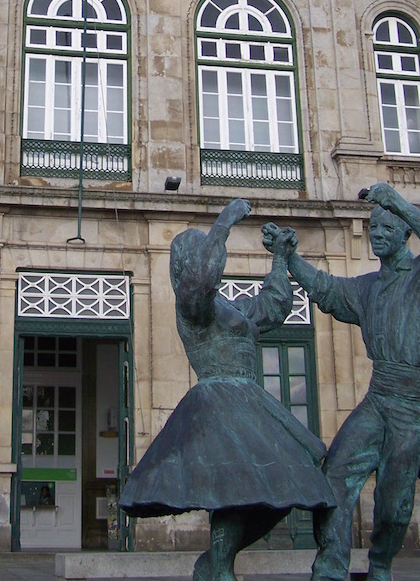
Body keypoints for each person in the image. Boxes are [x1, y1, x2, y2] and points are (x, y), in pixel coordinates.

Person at [120, 199, 334, 581]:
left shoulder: (227, 307)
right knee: (236, 488)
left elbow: (273, 306)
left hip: (248, 400)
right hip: (218, 403)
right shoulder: (192, 306)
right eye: (200, 253)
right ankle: (220, 569)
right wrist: (224, 223)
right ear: (185, 265)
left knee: (289, 485)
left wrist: (281, 259)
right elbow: (201, 281)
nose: (210, 259)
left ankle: (216, 561)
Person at [266, 183, 420, 581]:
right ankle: (331, 567)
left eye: (386, 227)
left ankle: (379, 566)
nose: (376, 233)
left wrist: (398, 203)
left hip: (415, 404)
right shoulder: (367, 288)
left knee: (393, 506)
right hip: (379, 398)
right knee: (335, 477)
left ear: (406, 231)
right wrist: (289, 257)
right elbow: (325, 288)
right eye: (373, 227)